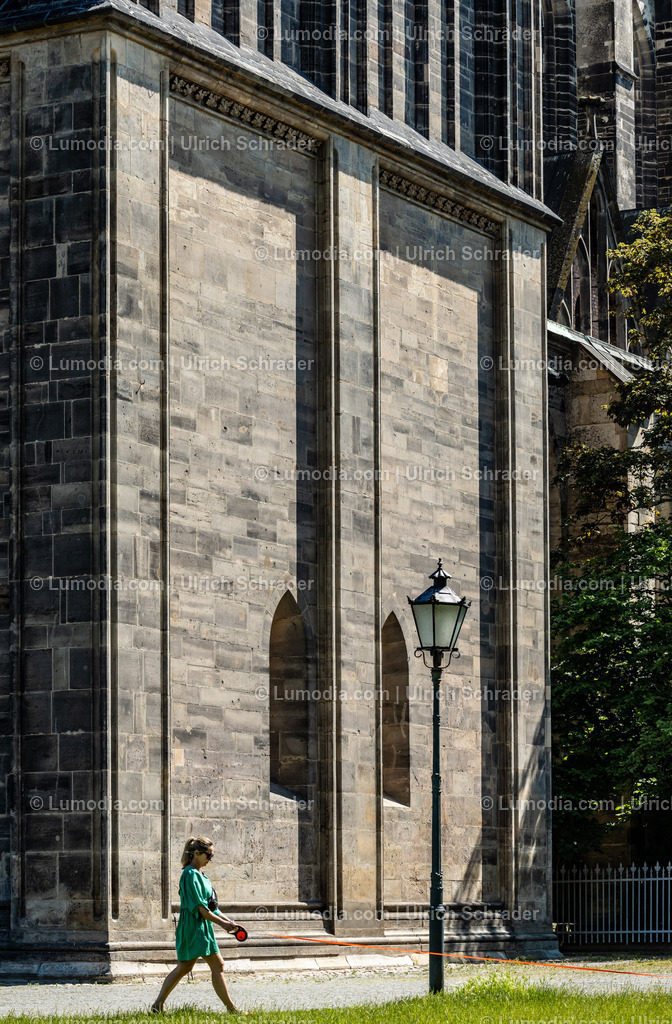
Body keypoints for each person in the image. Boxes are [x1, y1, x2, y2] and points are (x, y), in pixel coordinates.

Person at [151, 835, 247, 1014]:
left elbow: (212, 907)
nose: (211, 859)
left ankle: (158, 1005)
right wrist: (223, 925)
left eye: (212, 855)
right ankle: (232, 1009)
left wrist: (230, 923)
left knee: (189, 967)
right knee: (203, 966)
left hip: (202, 927)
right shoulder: (190, 874)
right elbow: (201, 909)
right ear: (196, 853)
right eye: (208, 855)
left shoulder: (202, 876)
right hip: (193, 927)